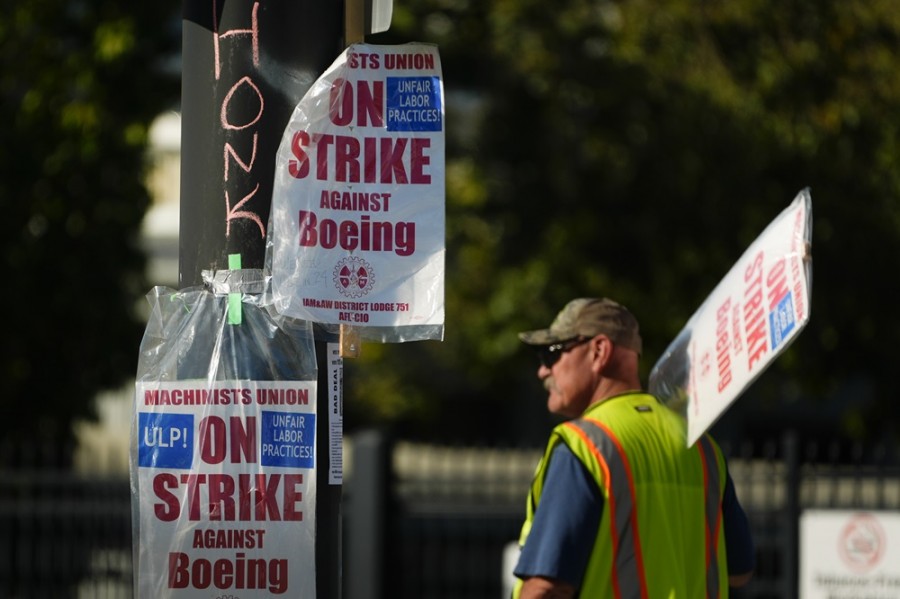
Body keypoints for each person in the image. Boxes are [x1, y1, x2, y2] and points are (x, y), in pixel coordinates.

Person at [512, 297, 755, 599]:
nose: (543, 372)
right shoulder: (703, 447)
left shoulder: (584, 445)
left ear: (598, 351)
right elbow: (739, 571)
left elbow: (546, 587)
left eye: (552, 354)